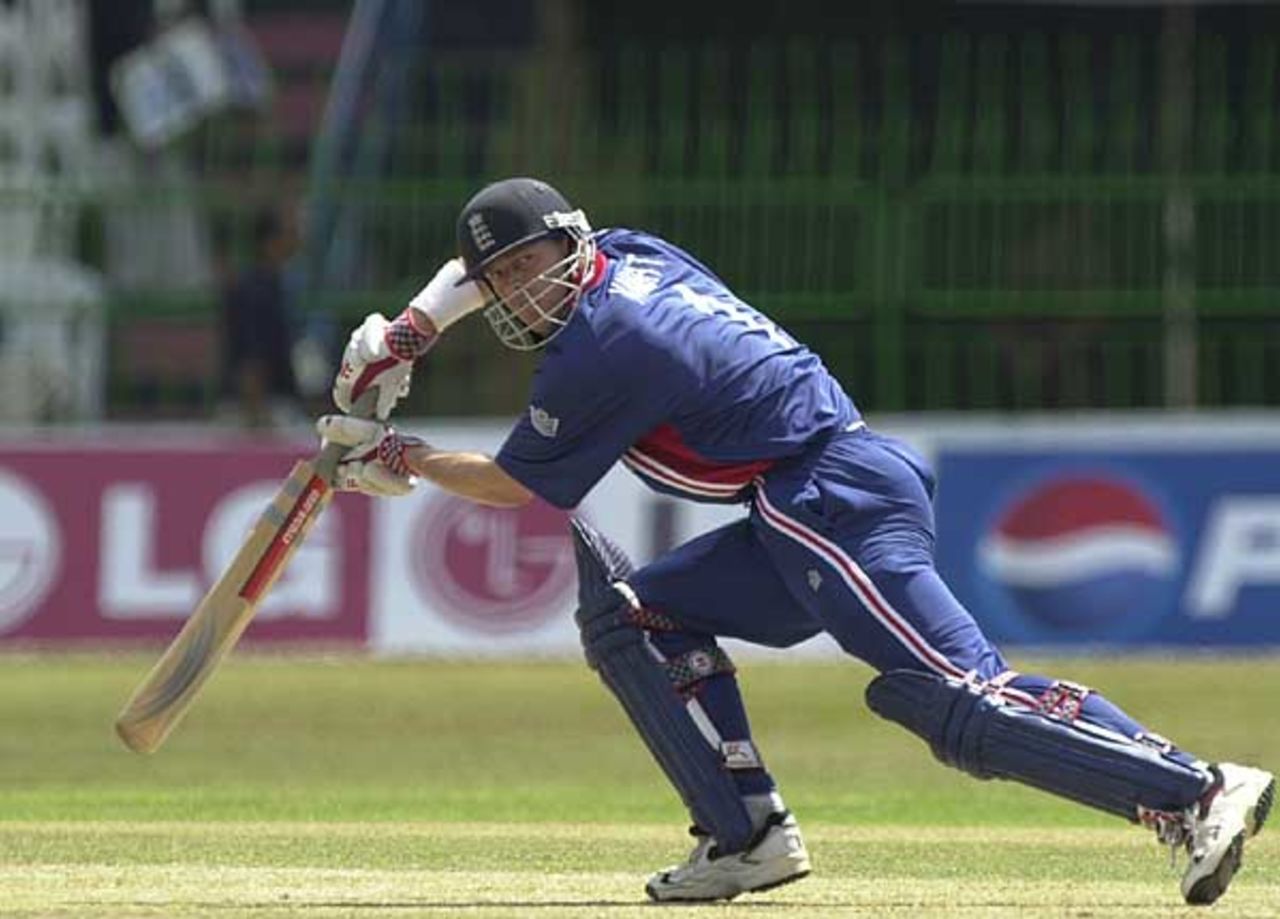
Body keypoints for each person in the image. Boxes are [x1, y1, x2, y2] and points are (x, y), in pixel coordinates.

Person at [316, 177, 1273, 905]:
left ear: (572, 246)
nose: (522, 291)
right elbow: (479, 270)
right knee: (640, 616)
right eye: (505, 281)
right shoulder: (634, 250)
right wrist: (407, 333)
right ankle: (746, 834)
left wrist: (395, 451)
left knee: (953, 700)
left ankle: (1194, 789)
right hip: (800, 501)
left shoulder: (607, 346)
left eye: (532, 266)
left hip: (828, 497)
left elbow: (514, 484)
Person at [219, 203, 303, 429]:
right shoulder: (255, 290)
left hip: (271, 405)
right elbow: (252, 356)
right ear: (270, 241)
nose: (297, 238)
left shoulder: (277, 285)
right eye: (289, 233)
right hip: (261, 411)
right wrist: (258, 415)